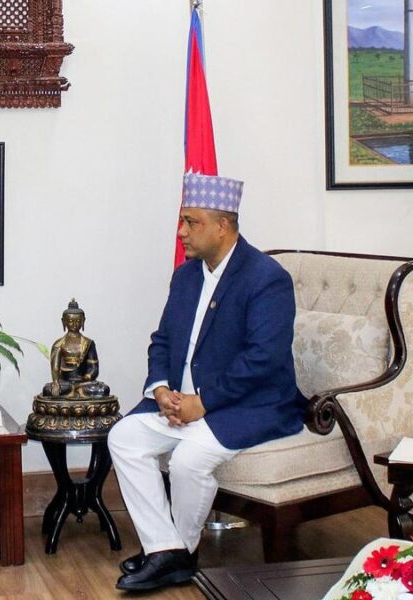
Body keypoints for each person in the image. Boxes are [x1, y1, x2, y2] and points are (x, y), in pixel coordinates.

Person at [107, 173, 305, 592]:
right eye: (182, 221)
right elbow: (162, 340)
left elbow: (263, 359)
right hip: (182, 403)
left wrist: (203, 401)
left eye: (191, 222)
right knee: (123, 437)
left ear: (222, 225)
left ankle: (176, 553)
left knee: (188, 461)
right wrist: (161, 389)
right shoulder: (186, 276)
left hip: (248, 405)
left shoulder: (266, 278)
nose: (181, 232)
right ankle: (167, 550)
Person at [41, 299, 110, 399]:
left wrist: (87, 377)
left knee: (103, 390)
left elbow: (94, 368)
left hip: (84, 383)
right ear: (64, 321)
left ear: (83, 321)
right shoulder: (59, 344)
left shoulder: (88, 343)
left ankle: (75, 392)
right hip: (65, 383)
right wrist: (56, 383)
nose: (74, 324)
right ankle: (76, 393)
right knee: (47, 390)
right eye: (70, 321)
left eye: (78, 321)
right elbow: (55, 367)